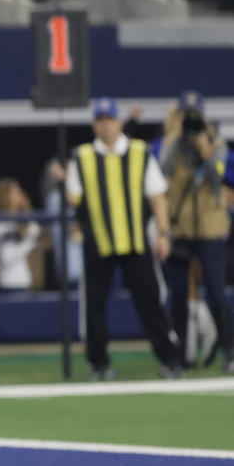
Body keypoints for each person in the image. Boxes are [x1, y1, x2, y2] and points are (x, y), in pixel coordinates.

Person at [67, 97, 182, 380]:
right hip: (98, 242)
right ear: (95, 124)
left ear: (119, 122)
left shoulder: (140, 153)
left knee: (150, 302)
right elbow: (74, 199)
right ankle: (99, 363)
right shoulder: (82, 157)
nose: (106, 126)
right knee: (94, 306)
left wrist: (164, 233)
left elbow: (157, 198)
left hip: (135, 240)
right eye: (101, 121)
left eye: (110, 120)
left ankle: (170, 359)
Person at [158, 91, 234, 374]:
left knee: (215, 290)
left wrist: (206, 148)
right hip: (180, 228)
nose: (189, 122)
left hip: (210, 229)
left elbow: (220, 178)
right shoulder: (169, 145)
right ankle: (180, 356)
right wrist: (176, 140)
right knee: (178, 295)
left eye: (194, 116)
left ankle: (229, 351)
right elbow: (160, 171)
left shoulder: (219, 145)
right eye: (184, 115)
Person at [0, 177, 45, 291]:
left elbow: (35, 230)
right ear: (6, 196)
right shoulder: (1, 226)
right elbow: (7, 257)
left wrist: (26, 209)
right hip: (10, 284)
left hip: (27, 283)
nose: (20, 194)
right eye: (15, 191)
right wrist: (30, 242)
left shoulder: (22, 222)